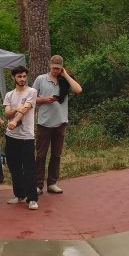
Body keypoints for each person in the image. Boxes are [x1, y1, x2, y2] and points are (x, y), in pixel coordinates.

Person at [33, 55, 83, 194]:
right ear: (49, 65)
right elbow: (31, 98)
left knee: (56, 154)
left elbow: (78, 90)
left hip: (60, 123)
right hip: (44, 123)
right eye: (54, 68)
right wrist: (43, 100)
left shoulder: (64, 80)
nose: (56, 71)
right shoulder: (41, 79)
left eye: (59, 68)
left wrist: (65, 75)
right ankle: (38, 184)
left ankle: (52, 183)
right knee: (41, 155)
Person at [3, 66, 39, 210]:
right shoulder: (9, 95)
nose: (22, 79)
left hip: (26, 138)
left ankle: (32, 199)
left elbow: (25, 109)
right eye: (19, 76)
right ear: (14, 78)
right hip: (11, 137)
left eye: (24, 76)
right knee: (14, 168)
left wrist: (14, 120)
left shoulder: (32, 92)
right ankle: (19, 195)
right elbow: (6, 113)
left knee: (29, 168)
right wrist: (14, 111)